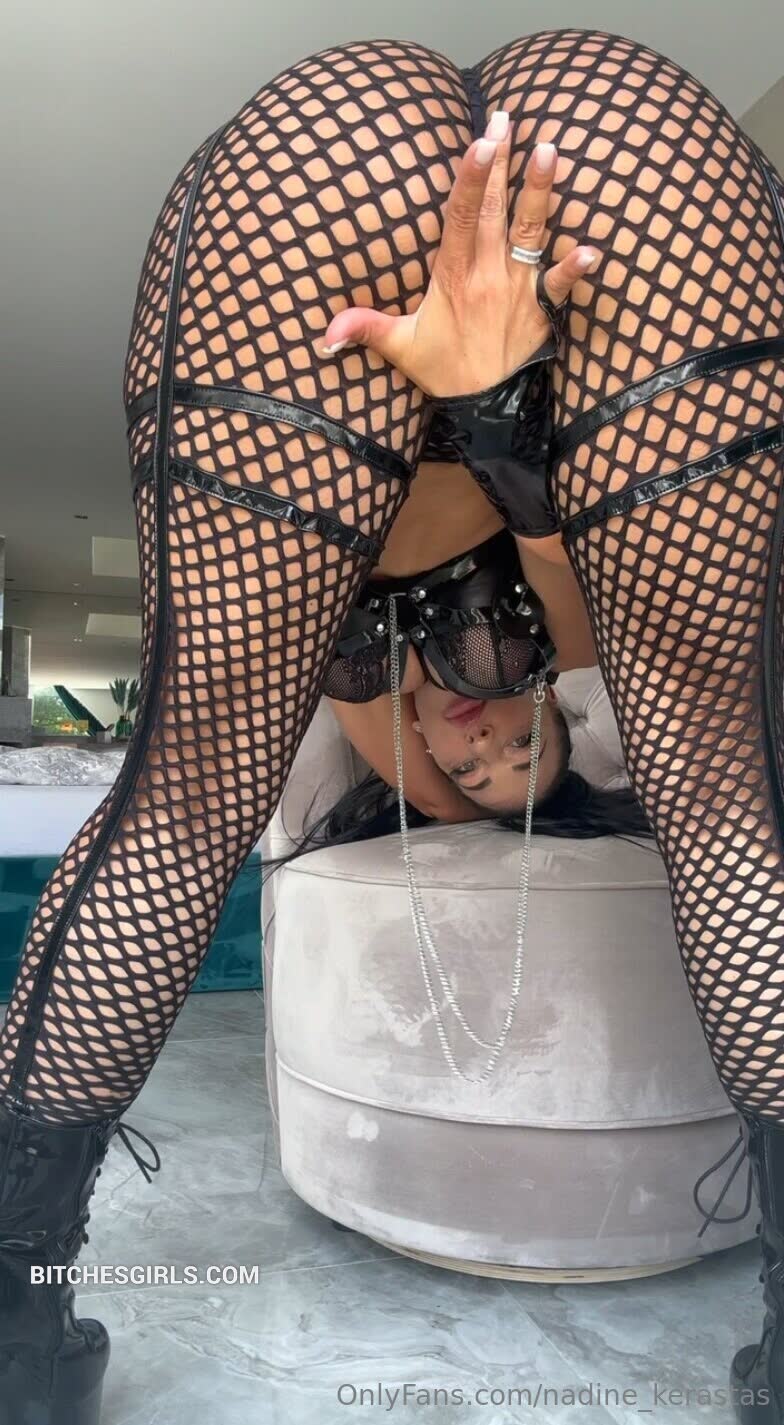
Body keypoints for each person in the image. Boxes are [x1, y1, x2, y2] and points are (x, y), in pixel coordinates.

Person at [1, 27, 783, 1424]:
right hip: (609, 179)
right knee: (714, 790)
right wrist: (495, 425)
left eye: (467, 771)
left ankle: (11, 1334)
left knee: (188, 792)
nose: (483, 742)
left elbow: (378, 752)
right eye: (519, 749)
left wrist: (478, 413)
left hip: (343, 181)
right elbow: (569, 615)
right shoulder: (582, 668)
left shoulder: (368, 699)